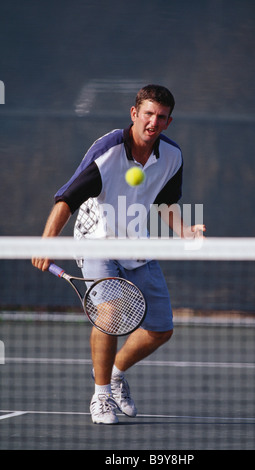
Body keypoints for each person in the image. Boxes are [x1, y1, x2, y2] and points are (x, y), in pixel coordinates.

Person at [32, 84, 205, 424]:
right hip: (96, 238)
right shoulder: (107, 152)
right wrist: (46, 243)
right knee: (109, 317)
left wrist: (185, 231)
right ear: (134, 114)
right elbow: (67, 199)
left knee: (161, 329)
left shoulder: (171, 156)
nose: (153, 123)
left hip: (135, 241)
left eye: (161, 117)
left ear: (168, 122)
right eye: (148, 114)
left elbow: (164, 202)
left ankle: (115, 372)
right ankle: (101, 396)